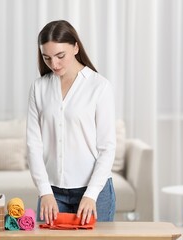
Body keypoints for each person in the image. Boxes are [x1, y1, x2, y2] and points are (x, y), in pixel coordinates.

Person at [26, 20, 116, 226]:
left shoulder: (99, 87)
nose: (54, 64)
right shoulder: (38, 88)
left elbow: (107, 148)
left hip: (95, 192)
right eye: (46, 57)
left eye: (60, 56)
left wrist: (91, 194)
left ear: (76, 47)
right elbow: (33, 145)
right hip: (52, 194)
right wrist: (44, 192)